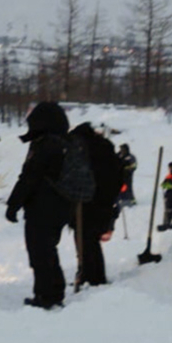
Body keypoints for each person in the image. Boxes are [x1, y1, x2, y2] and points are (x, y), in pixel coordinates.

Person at [5, 101, 71, 309]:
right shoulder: (63, 142)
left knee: (39, 252)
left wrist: (13, 204)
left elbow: (30, 177)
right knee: (48, 250)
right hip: (60, 205)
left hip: (43, 207)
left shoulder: (46, 144)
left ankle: (45, 296)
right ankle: (54, 292)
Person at [68, 123, 122, 287]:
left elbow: (84, 176)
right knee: (90, 240)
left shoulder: (88, 151)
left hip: (89, 202)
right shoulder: (104, 148)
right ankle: (93, 275)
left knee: (86, 240)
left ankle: (91, 277)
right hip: (103, 202)